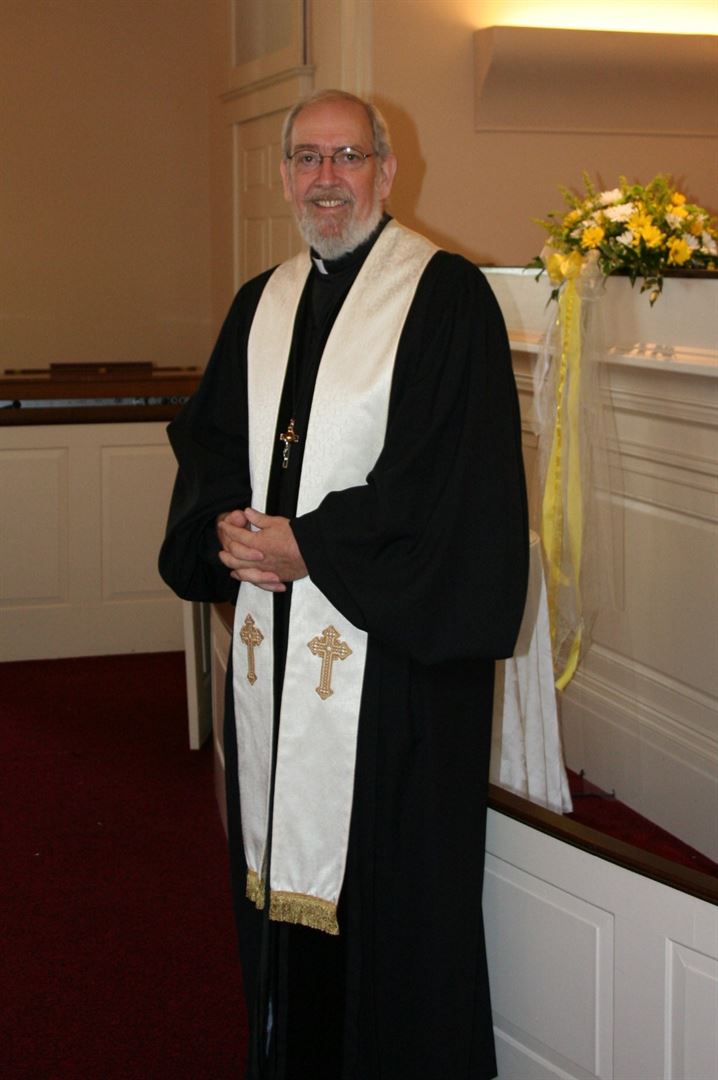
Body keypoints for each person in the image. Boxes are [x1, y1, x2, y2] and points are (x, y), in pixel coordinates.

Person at [159, 88, 528, 1080]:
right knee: (279, 896)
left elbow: (449, 483)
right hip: (272, 661)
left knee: (391, 916)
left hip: (392, 679)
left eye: (348, 157)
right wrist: (222, 528)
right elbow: (211, 449)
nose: (327, 179)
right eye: (308, 159)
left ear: (386, 171)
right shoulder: (261, 302)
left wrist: (310, 547)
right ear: (285, 177)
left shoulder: (444, 298)